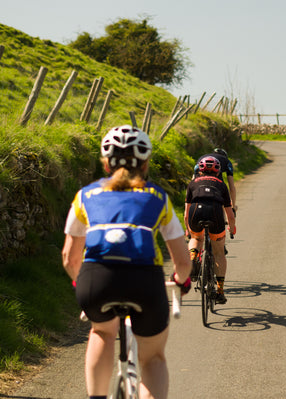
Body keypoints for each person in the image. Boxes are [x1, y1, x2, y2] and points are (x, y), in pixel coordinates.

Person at [62, 125, 192, 399]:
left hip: (96, 279)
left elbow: (70, 257)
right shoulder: (158, 197)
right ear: (145, 164)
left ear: (106, 162)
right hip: (144, 281)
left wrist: (80, 282)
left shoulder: (84, 196)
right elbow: (182, 260)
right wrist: (182, 281)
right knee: (153, 358)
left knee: (101, 333)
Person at [185, 155, 236, 304]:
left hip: (195, 211)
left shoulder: (192, 183)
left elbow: (186, 213)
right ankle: (219, 290)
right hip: (215, 213)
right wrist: (232, 228)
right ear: (217, 171)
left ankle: (193, 257)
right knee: (219, 252)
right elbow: (229, 213)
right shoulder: (221, 184)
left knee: (196, 238)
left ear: (200, 170)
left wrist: (189, 230)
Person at [193, 148, 237, 212]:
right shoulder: (227, 161)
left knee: (193, 185)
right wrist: (233, 206)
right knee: (221, 195)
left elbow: (192, 183)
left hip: (200, 169)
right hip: (216, 176)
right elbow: (232, 187)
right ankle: (223, 219)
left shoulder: (203, 157)